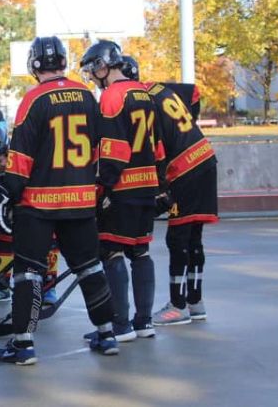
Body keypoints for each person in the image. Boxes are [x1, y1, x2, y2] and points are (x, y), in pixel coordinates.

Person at [0, 36, 119, 365]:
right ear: (63, 61)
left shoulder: (32, 100)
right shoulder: (87, 96)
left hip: (38, 204)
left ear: (34, 64)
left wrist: (9, 193)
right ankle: (107, 333)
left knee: (28, 273)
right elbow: (100, 147)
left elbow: (20, 157)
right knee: (90, 267)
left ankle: (23, 345)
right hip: (79, 201)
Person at [122, 56, 219, 325]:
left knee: (177, 239)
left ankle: (178, 305)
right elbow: (193, 91)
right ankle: (195, 301)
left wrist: (159, 187)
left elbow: (155, 148)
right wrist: (190, 124)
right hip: (204, 158)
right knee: (193, 238)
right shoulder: (156, 87)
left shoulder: (139, 101)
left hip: (184, 169)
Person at [80, 40, 160, 343]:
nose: (92, 76)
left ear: (102, 66)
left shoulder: (112, 97)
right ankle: (144, 321)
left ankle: (120, 324)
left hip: (123, 185)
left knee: (111, 251)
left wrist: (103, 186)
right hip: (147, 183)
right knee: (141, 252)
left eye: (92, 70)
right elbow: (156, 143)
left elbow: (115, 149)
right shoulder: (143, 92)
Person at [0, 127, 60, 306]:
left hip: (32, 200)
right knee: (3, 240)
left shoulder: (22, 156)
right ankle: (1, 286)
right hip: (3, 205)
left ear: (8, 151)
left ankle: (49, 286)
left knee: (48, 240)